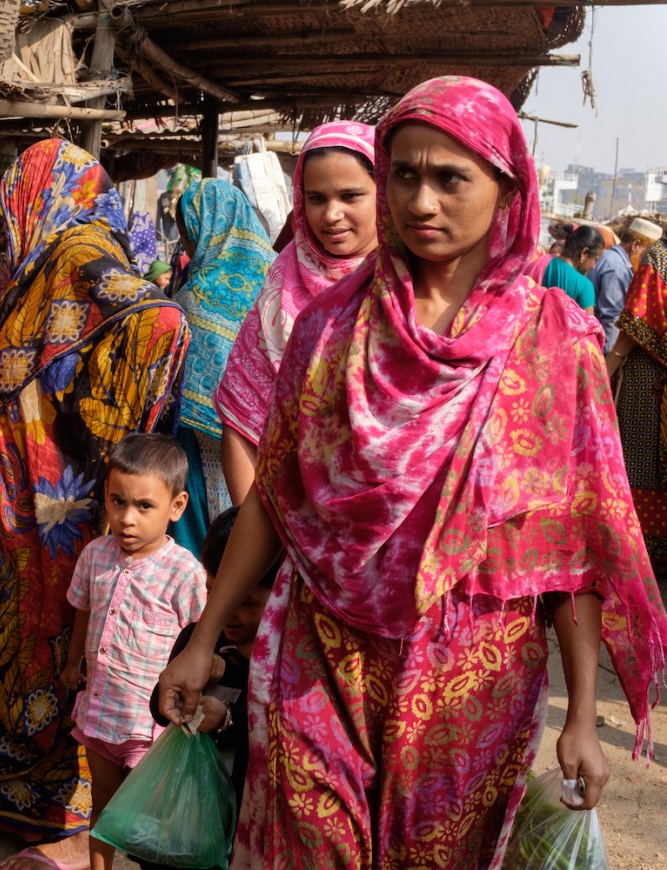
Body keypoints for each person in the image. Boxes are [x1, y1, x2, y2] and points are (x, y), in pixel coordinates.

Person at [158, 75, 667, 868]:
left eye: (448, 178)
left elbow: (571, 546)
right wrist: (202, 633)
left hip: (471, 670)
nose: (420, 201)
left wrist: (575, 714)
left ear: (506, 189)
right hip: (321, 645)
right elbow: (278, 497)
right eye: (404, 173)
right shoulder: (330, 327)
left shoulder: (553, 341)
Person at [0, 138, 190, 853]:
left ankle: (37, 794)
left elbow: (158, 321)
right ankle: (16, 789)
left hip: (47, 496)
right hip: (23, 496)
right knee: (24, 627)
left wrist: (116, 424)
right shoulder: (52, 257)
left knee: (44, 632)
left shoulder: (76, 252)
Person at [59, 434, 205, 870]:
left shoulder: (185, 575)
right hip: (101, 714)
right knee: (102, 805)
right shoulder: (95, 555)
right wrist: (72, 662)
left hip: (151, 729)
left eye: (144, 506)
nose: (126, 518)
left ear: (176, 507)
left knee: (148, 823)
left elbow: (200, 642)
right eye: (117, 501)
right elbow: (82, 610)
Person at [215, 121, 378, 505]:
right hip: (287, 517)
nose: (331, 214)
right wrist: (245, 527)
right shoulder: (284, 281)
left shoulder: (411, 283)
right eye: (316, 198)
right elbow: (242, 420)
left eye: (351, 196)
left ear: (384, 192)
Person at [137, 506, 276, 870]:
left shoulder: (282, 663)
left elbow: (278, 735)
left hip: (242, 817)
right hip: (185, 810)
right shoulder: (197, 640)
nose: (226, 611)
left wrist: (227, 718)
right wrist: (184, 697)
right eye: (213, 592)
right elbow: (158, 708)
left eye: (244, 602)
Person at [170, 178, 274, 554]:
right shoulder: (280, 277)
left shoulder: (196, 292)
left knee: (202, 541)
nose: (186, 245)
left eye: (188, 233)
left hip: (197, 446)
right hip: (264, 441)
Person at [606, 238, 667, 573]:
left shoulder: (658, 257)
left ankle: (641, 545)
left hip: (649, 379)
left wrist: (610, 365)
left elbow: (636, 321)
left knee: (642, 462)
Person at [592, 216, 662, 351]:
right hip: (600, 347)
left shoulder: (613, 259)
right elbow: (611, 317)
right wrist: (609, 361)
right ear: (635, 245)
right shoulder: (617, 267)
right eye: (647, 256)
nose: (647, 264)